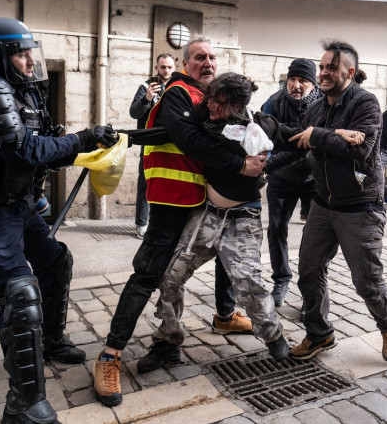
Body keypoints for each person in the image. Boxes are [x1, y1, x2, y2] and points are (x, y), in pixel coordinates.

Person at [0, 17, 117, 423]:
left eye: (29, 52)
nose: (28, 61)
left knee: (55, 262)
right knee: (20, 291)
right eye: (21, 53)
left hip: (18, 203)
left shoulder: (18, 90)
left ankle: (51, 341)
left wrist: (86, 146)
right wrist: (81, 140)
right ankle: (23, 404)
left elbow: (42, 147)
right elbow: (21, 151)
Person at [94, 38, 266, 408]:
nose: (207, 62)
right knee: (148, 274)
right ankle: (110, 354)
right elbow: (190, 142)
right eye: (199, 57)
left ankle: (182, 335)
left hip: (203, 201)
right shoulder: (178, 93)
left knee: (184, 272)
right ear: (185, 64)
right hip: (173, 201)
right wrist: (240, 165)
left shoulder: (215, 101)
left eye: (212, 57)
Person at [141, 72, 311, 372]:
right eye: (211, 99)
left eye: (221, 103)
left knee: (249, 284)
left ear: (237, 105)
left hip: (243, 217)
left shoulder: (261, 125)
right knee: (170, 276)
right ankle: (168, 341)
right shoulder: (200, 117)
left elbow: (299, 144)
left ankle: (274, 339)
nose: (212, 107)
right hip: (207, 214)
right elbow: (189, 138)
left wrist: (265, 165)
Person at [287, 40, 387, 363]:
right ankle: (319, 333)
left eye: (330, 68)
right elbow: (301, 144)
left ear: (349, 72)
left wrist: (320, 135)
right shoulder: (315, 107)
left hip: (360, 207)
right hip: (324, 205)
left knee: (366, 278)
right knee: (309, 271)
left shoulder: (365, 103)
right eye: (321, 67)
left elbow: (360, 150)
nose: (322, 73)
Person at [261, 58, 321, 307]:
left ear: (313, 83)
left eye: (303, 80)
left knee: (317, 235)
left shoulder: (323, 105)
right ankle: (281, 279)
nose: (296, 85)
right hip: (281, 178)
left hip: (313, 179)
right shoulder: (273, 102)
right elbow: (262, 139)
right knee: (276, 229)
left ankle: (312, 290)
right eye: (292, 79)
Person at [129, 53, 175, 239]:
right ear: (157, 68)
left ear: (175, 67)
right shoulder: (145, 86)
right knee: (146, 184)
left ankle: (164, 223)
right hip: (149, 143)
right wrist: (146, 98)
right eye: (163, 67)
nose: (166, 70)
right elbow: (133, 113)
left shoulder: (176, 87)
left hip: (170, 143)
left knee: (169, 183)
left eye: (170, 67)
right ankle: (141, 224)